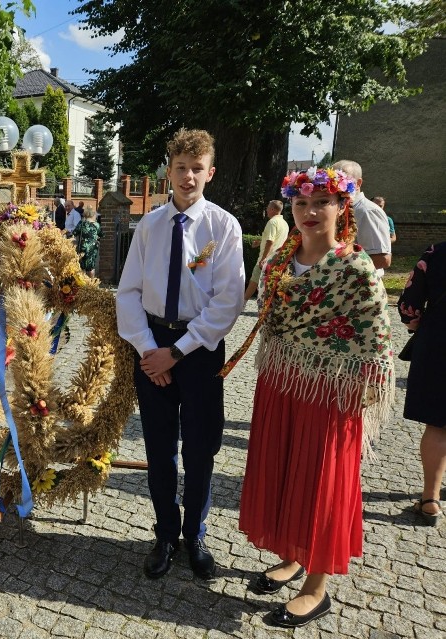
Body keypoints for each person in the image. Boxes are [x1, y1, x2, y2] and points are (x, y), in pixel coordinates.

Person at [235, 166, 394, 628]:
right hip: (283, 381)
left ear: (342, 207)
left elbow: (374, 336)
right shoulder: (281, 259)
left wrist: (361, 393)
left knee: (322, 480)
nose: (309, 212)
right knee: (285, 469)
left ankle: (316, 588)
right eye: (301, 203)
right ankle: (291, 556)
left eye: (321, 202)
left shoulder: (354, 266)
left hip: (331, 391)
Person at [116, 128, 245, 581]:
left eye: (197, 169)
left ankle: (196, 534)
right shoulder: (149, 226)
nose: (188, 177)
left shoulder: (223, 227)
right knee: (159, 446)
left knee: (201, 447)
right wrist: (150, 350)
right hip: (153, 345)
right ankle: (166, 533)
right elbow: (128, 291)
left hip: (200, 348)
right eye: (180, 168)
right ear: (167, 171)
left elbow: (228, 301)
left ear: (210, 172)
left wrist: (179, 351)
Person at [398, 242, 446, 526]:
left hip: (440, 343)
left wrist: (417, 324)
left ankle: (430, 500)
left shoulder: (435, 254)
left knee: (438, 425)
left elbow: (409, 307)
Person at [332, 160, 391, 273]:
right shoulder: (338, 208)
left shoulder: (368, 211)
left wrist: (332, 270)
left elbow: (382, 259)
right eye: (333, 179)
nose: (337, 184)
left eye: (343, 180)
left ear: (358, 183)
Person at [244, 200, 289, 301]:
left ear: (273, 209)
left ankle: (242, 302)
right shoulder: (284, 223)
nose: (267, 210)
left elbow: (270, 240)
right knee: (269, 284)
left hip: (267, 259)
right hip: (277, 259)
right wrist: (260, 241)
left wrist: (263, 258)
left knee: (254, 281)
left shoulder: (272, 222)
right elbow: (277, 239)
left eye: (268, 208)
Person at [73, 206, 101, 277]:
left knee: (81, 267)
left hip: (82, 246)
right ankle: (91, 284)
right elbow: (101, 235)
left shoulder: (81, 223)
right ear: (93, 215)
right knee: (91, 266)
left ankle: (82, 284)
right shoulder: (97, 225)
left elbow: (75, 232)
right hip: (93, 248)